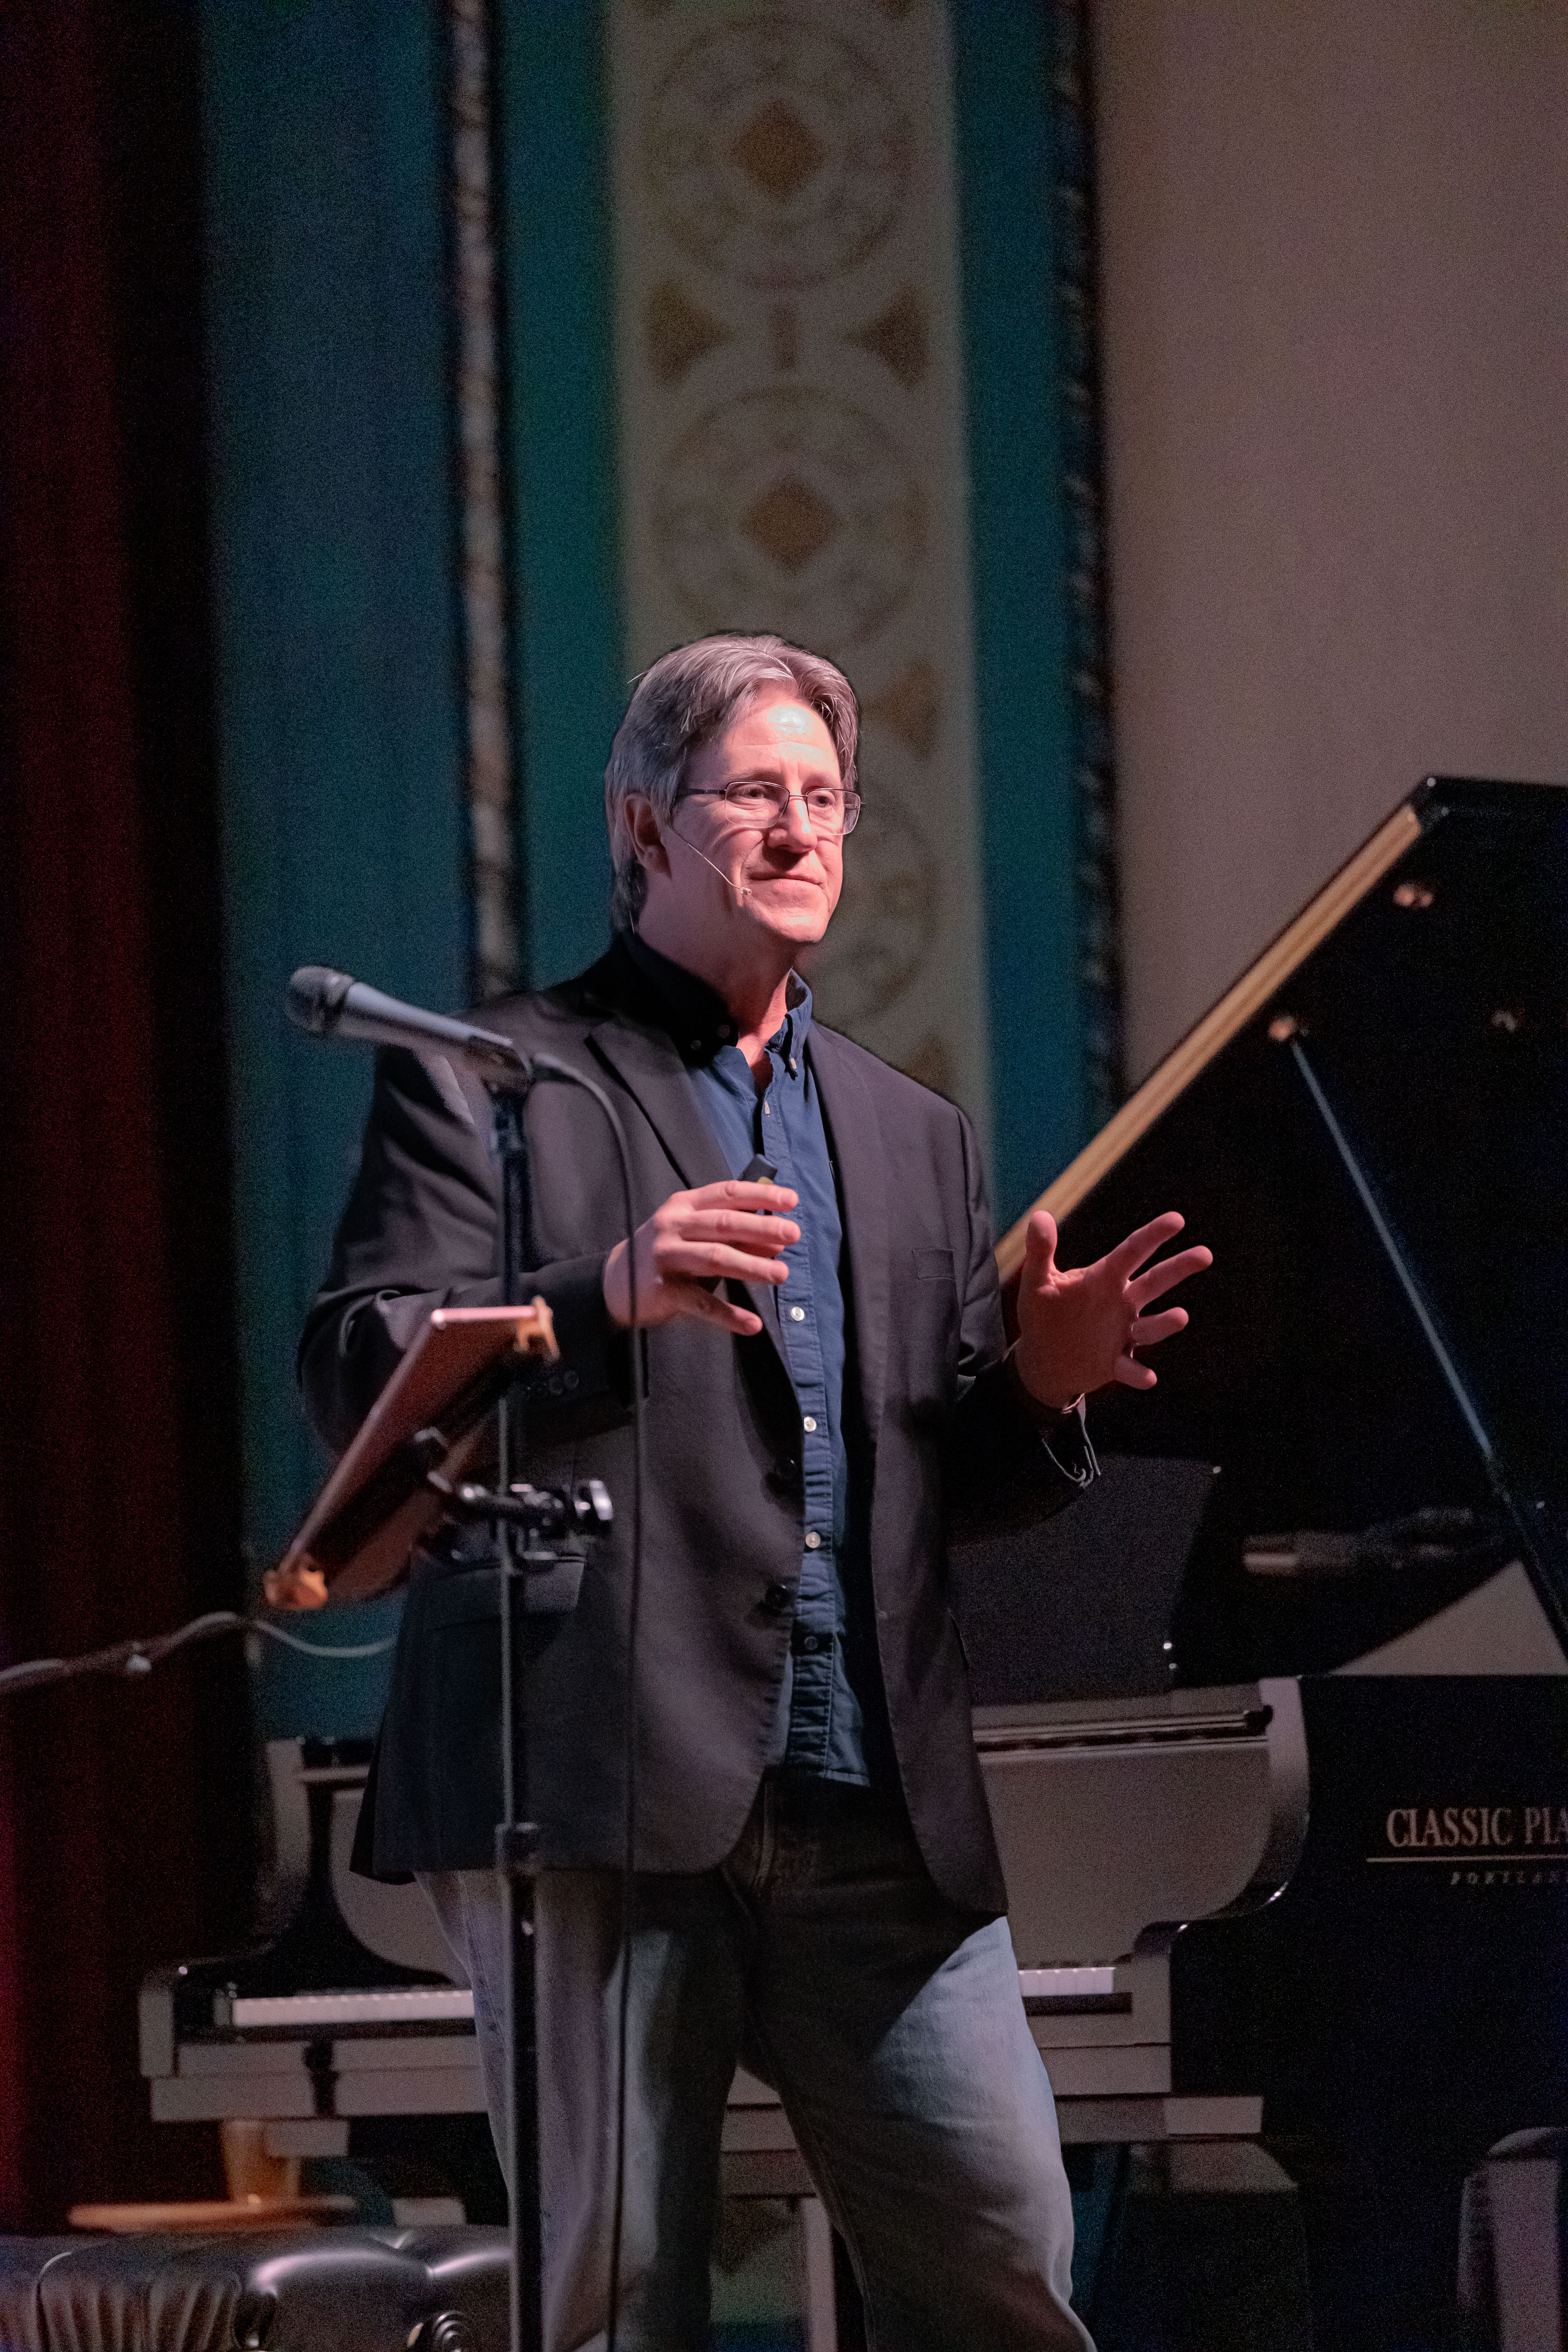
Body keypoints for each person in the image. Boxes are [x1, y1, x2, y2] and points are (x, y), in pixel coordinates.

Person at [300, 633, 1211, 2352]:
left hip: (872, 1797)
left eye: (827, 798)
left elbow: (934, 1479)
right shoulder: (493, 1076)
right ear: (644, 827)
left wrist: (1043, 1385)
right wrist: (600, 1292)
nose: (802, 832)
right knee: (619, 2303)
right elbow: (359, 1364)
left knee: (1008, 2280)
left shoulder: (911, 1129)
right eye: (756, 796)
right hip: (599, 1781)